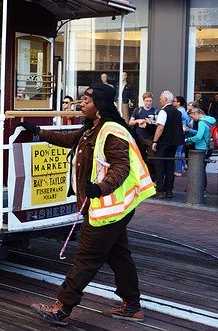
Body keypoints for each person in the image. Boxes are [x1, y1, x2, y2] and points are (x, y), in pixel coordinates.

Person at [20, 82, 154, 326]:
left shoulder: (111, 131)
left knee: (86, 257)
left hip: (107, 206)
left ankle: (62, 307)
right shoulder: (92, 128)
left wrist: (99, 188)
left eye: (87, 100)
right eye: (82, 99)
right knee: (118, 254)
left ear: (100, 105)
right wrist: (37, 131)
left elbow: (121, 167)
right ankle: (132, 306)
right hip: (113, 206)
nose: (82, 103)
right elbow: (69, 138)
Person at [151, 91, 184, 198]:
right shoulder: (177, 112)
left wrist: (155, 141)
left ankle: (160, 190)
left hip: (163, 143)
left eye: (161, 98)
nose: (159, 100)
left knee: (160, 165)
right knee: (170, 165)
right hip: (174, 143)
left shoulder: (163, 112)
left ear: (165, 99)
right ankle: (169, 190)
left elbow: (160, 127)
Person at [184, 107, 216, 192]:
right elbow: (203, 133)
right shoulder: (210, 120)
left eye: (192, 117)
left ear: (195, 114)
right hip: (209, 147)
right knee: (202, 169)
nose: (192, 119)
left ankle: (201, 190)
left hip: (201, 148)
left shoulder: (201, 122)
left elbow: (199, 136)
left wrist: (187, 140)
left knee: (199, 170)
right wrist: (190, 130)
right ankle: (202, 189)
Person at [173, 96, 190, 177]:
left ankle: (178, 170)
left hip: (180, 133)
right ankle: (184, 164)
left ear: (178, 102)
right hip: (183, 133)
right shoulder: (183, 110)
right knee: (181, 151)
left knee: (178, 151)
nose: (173, 102)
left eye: (174, 101)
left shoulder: (180, 111)